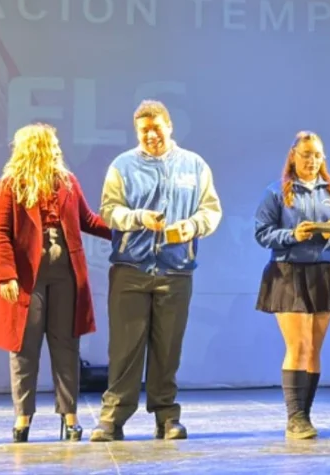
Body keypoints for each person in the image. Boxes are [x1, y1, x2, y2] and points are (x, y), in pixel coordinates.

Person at [89, 100, 223, 442]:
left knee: (168, 350)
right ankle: (112, 419)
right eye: (144, 130)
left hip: (176, 271)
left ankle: (167, 418)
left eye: (156, 128)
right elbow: (109, 211)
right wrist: (139, 218)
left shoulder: (194, 165)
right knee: (125, 349)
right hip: (130, 269)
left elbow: (211, 211)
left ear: (170, 126)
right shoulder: (123, 165)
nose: (151, 135)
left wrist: (192, 226)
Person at [0, 124, 111, 442]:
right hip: (29, 276)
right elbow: (0, 233)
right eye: (50, 146)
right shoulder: (9, 185)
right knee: (25, 347)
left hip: (66, 272)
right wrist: (6, 274)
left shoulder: (67, 182)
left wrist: (124, 232)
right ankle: (23, 417)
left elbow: (87, 220)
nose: (56, 150)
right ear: (34, 149)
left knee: (66, 344)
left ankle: (69, 416)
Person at [253, 131, 330, 439]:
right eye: (306, 154)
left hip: (326, 272)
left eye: (317, 155)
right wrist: (292, 235)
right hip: (288, 272)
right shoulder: (276, 192)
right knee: (297, 346)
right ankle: (295, 418)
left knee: (313, 348)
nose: (312, 160)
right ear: (293, 156)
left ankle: (305, 415)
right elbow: (262, 233)